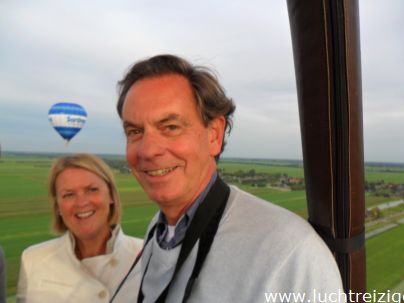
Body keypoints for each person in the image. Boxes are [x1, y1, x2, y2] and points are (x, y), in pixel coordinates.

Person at [117, 54, 344, 302]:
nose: (148, 150)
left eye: (170, 127)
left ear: (214, 135)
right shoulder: (159, 230)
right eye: (135, 131)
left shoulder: (289, 251)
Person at [16, 154, 143, 303]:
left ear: (111, 196)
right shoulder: (33, 259)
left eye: (92, 190)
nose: (81, 202)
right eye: (68, 195)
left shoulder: (149, 255)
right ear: (58, 207)